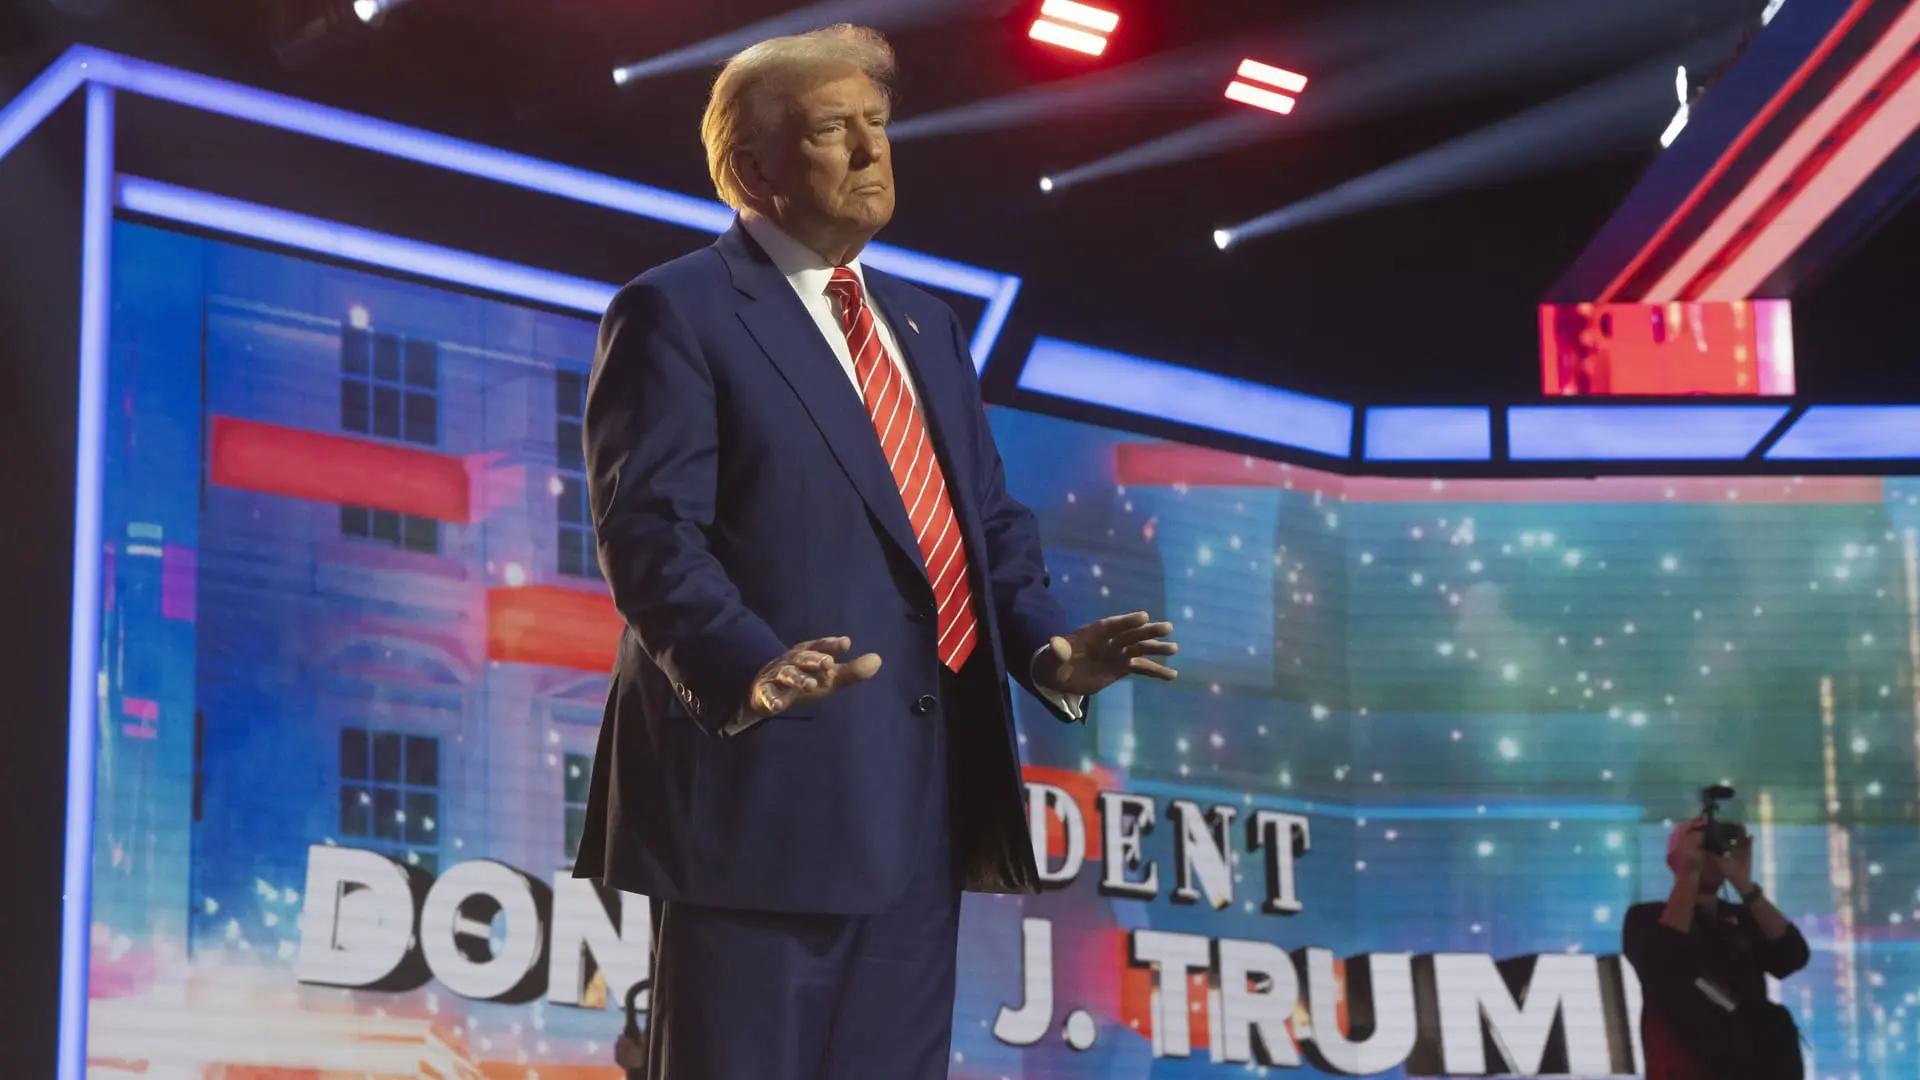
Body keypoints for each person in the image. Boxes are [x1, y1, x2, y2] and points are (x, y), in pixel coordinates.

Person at [570, 24, 1179, 1080]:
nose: (871, 152)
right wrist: (744, 663)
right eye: (833, 131)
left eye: (879, 126)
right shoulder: (677, 310)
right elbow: (649, 527)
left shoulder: (925, 326)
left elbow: (982, 522)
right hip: (761, 801)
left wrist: (1045, 652)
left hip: (916, 807)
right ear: (754, 170)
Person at [1622, 817, 1810, 1080]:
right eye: (1702, 848)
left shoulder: (1744, 918)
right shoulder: (1647, 918)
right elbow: (1663, 959)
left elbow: (1791, 957)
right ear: (1672, 859)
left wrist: (1744, 885)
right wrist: (1689, 872)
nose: (1710, 857)